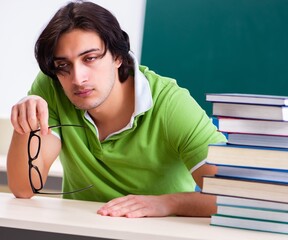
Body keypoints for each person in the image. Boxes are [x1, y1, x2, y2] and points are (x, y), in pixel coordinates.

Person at [7, 0, 226, 218]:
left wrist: (167, 203)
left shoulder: (171, 104)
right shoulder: (52, 87)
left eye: (90, 58)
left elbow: (233, 197)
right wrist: (25, 123)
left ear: (118, 57)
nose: (77, 78)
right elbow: (24, 188)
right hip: (78, 230)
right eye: (64, 65)